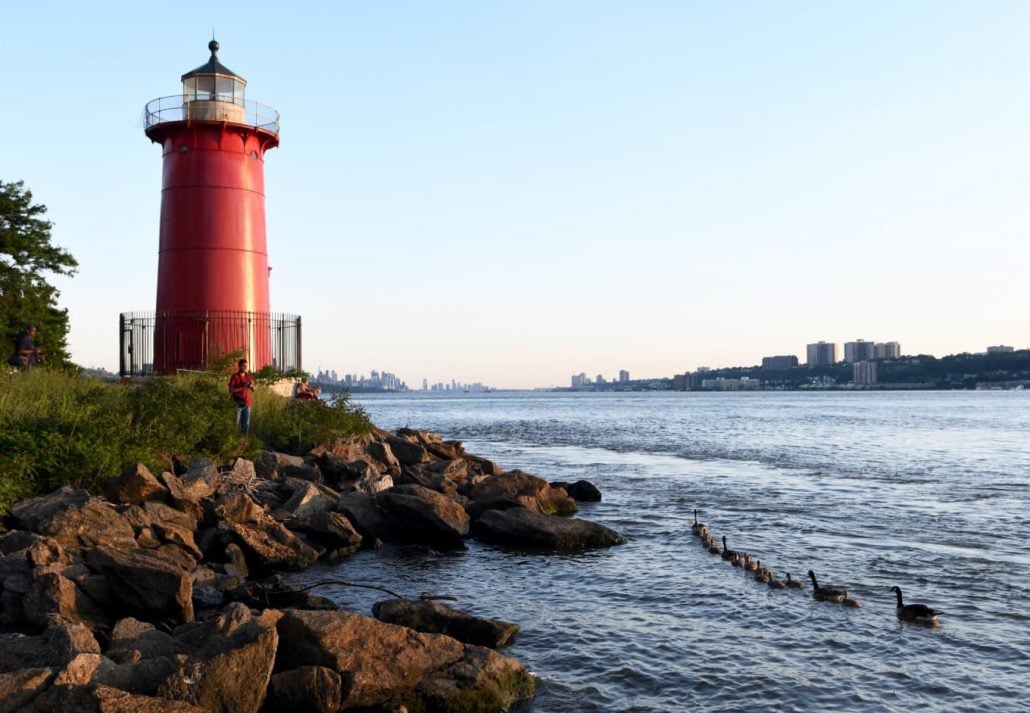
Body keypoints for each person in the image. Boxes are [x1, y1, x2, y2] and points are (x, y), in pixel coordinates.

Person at [228, 358, 256, 436]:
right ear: (239, 366)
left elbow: (254, 389)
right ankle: (234, 442)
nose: (245, 368)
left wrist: (251, 386)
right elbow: (231, 390)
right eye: (243, 366)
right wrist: (242, 387)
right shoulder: (234, 376)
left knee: (246, 425)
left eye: (246, 366)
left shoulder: (248, 376)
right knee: (235, 424)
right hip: (237, 403)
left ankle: (244, 443)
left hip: (247, 403)